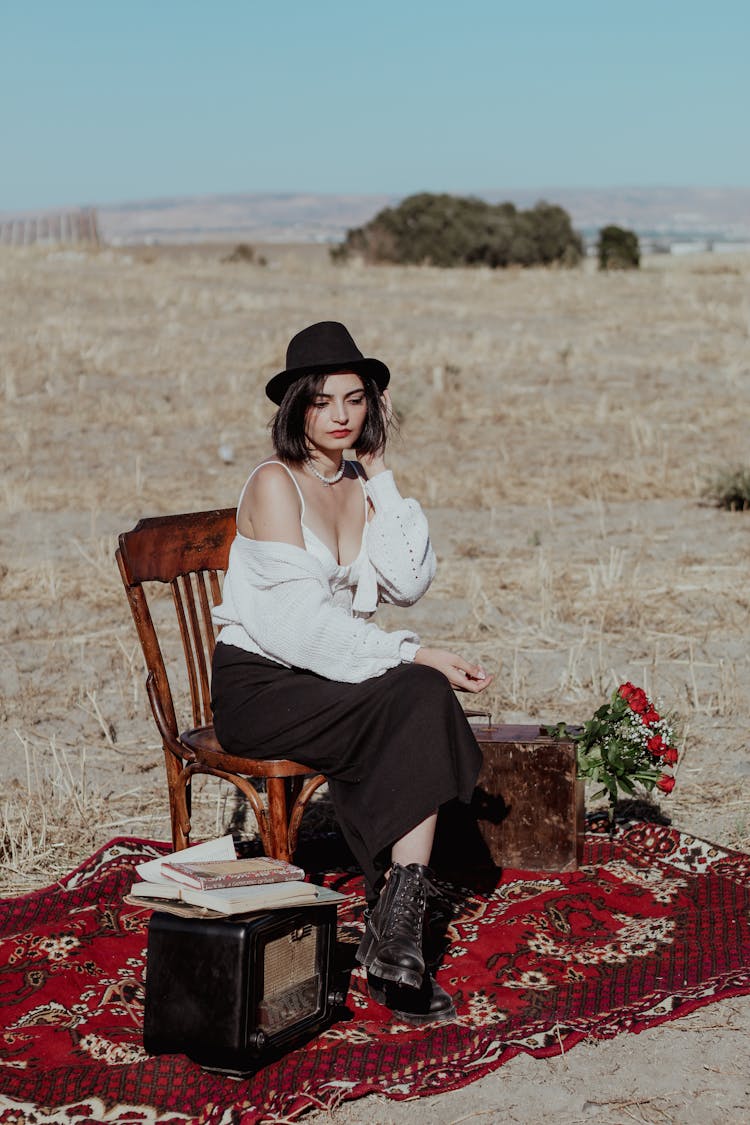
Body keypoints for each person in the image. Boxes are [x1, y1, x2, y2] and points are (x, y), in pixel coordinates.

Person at [210, 320, 493, 1024]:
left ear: (373, 407)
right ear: (295, 407)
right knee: (417, 684)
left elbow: (409, 579)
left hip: (325, 674)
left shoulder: (360, 481)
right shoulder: (275, 484)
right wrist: (411, 653)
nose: (340, 416)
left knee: (419, 693)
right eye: (322, 401)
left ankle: (396, 929)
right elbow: (300, 627)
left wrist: (385, 477)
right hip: (261, 683)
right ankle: (396, 921)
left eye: (356, 400)